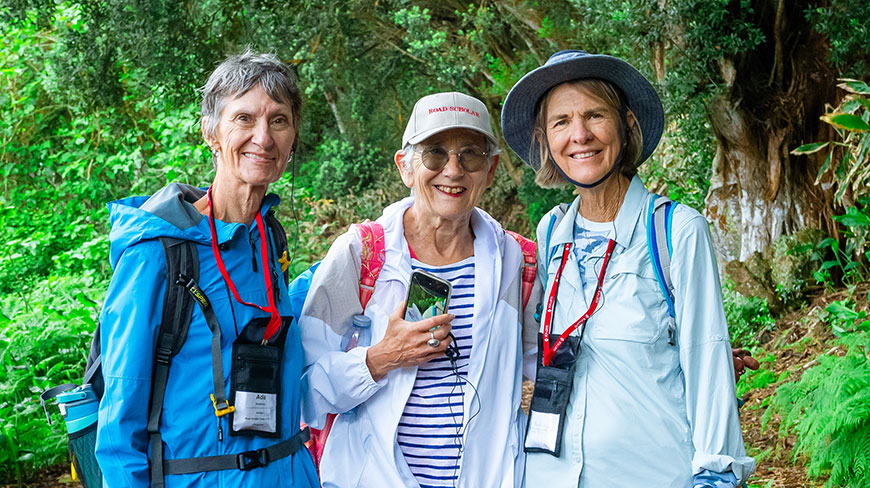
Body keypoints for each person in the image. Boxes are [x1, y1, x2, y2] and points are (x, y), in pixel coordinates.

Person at [500, 50, 756, 487]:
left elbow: (705, 356)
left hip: (651, 474)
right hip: (550, 474)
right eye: (561, 121)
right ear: (546, 140)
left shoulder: (675, 230)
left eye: (595, 115)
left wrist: (716, 475)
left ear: (627, 123)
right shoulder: (550, 233)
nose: (579, 135)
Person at [95, 51, 319, 487]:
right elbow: (120, 424)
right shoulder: (158, 254)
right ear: (211, 132)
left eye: (278, 120)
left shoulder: (269, 238)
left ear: (293, 138)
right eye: (243, 119)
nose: (263, 137)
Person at [299, 92, 538, 487]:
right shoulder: (361, 254)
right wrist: (379, 359)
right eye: (435, 153)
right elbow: (304, 393)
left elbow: (548, 379)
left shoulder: (517, 263)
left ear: (491, 170)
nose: (454, 170)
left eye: (470, 155)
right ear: (405, 167)